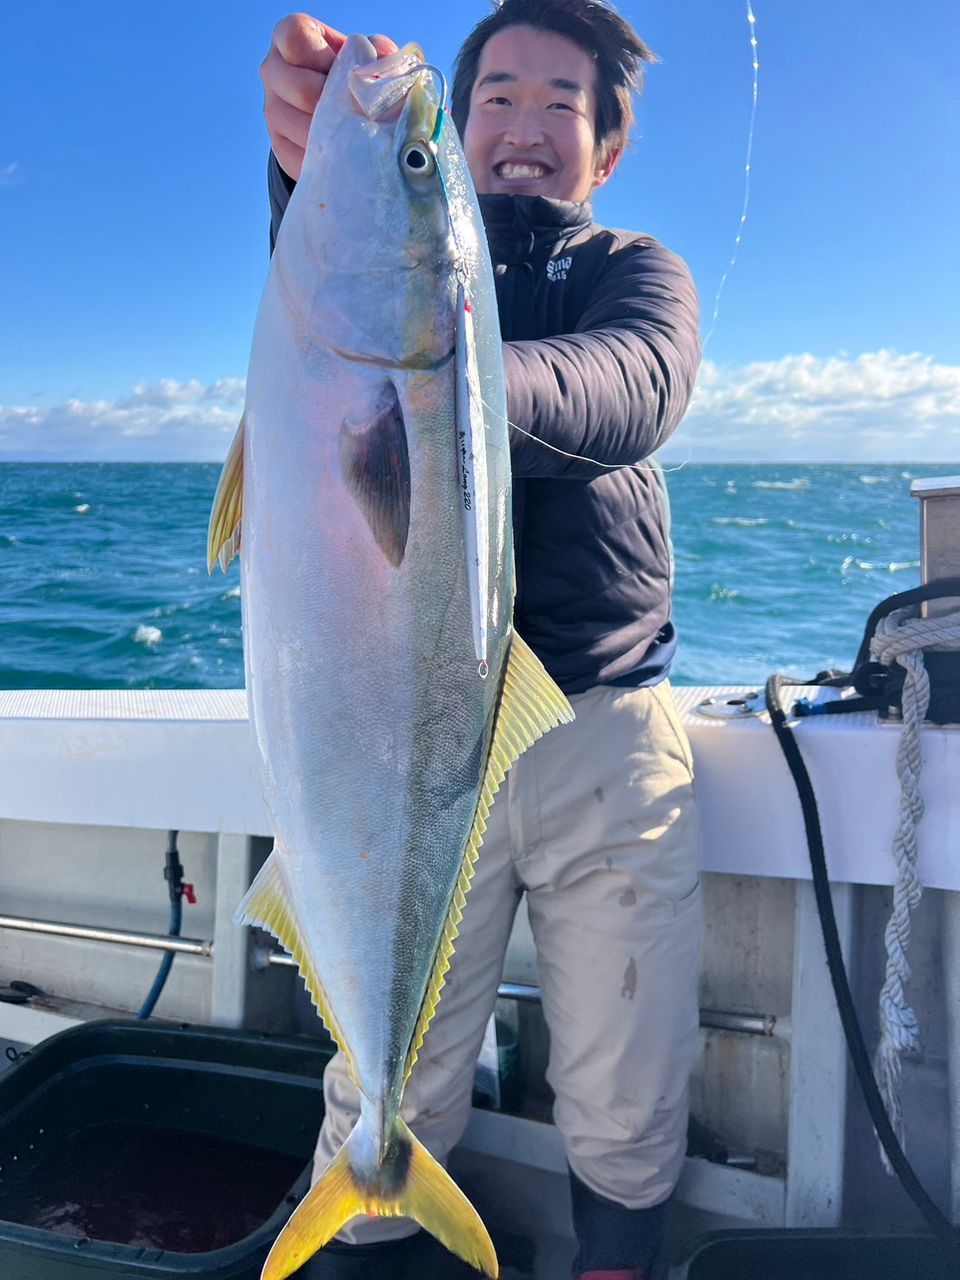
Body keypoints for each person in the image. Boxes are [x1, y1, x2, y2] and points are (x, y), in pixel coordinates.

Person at [260, 3, 702, 1277]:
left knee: (628, 1089)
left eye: (558, 104)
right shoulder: (388, 270)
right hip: (403, 735)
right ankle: (367, 1217)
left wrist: (437, 379)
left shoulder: (631, 267)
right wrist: (297, 148)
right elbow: (322, 282)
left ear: (603, 147)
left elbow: (632, 386)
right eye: (490, 99)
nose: (519, 128)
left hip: (602, 724)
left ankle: (613, 1254)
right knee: (387, 1073)